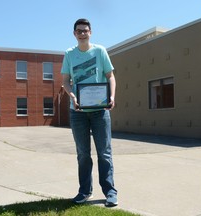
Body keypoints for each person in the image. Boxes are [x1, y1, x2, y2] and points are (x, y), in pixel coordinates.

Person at [61, 18, 118, 207]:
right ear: (74, 34)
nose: (82, 33)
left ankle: (110, 192)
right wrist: (72, 97)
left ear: (90, 32)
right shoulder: (69, 54)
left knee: (105, 153)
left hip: (100, 111)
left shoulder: (100, 51)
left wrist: (111, 96)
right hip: (77, 112)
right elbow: (65, 81)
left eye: (85, 30)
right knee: (83, 154)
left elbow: (110, 76)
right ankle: (85, 191)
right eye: (79, 31)